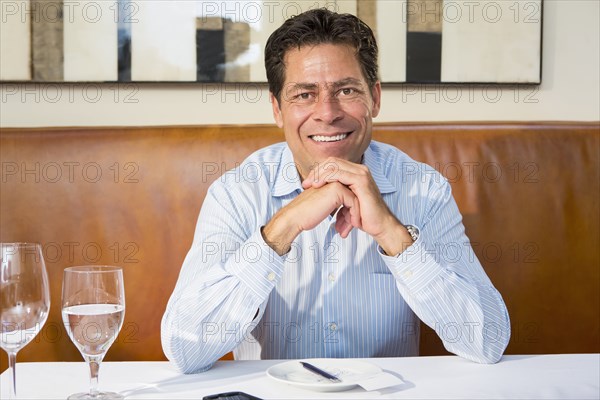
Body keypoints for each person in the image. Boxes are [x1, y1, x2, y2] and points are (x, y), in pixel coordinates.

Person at [161, 8, 510, 374]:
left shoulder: (423, 190)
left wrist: (393, 235)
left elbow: (487, 341)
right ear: (277, 108)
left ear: (374, 98)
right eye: (304, 95)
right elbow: (186, 349)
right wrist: (281, 228)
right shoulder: (235, 194)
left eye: (346, 90)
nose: (327, 113)